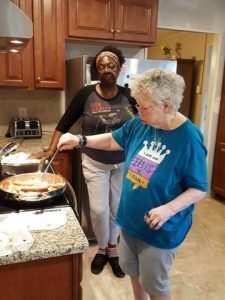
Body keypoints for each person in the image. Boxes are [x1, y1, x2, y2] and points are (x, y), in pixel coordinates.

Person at [57, 69, 208, 300]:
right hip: (129, 221)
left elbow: (198, 188)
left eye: (144, 107)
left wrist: (168, 209)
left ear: (166, 106)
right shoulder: (141, 124)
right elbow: (112, 140)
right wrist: (80, 140)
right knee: (134, 274)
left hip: (159, 230)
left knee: (155, 285)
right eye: (137, 105)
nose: (138, 111)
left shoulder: (189, 138)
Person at [32, 46, 137, 278]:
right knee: (99, 211)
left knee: (116, 209)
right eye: (102, 66)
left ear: (119, 68)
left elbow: (141, 126)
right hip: (95, 163)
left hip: (122, 164)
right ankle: (101, 246)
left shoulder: (129, 96)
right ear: (96, 70)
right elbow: (64, 123)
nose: (107, 69)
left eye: (111, 65)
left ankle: (112, 250)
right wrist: (50, 150)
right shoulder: (85, 94)